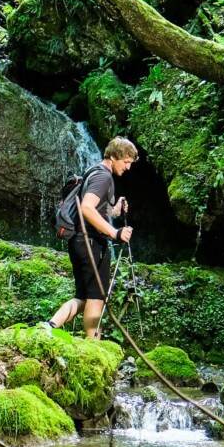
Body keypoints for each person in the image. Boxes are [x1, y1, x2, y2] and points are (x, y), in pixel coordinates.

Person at [43, 137, 138, 339]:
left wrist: (115, 210)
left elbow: (96, 209)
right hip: (91, 243)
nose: (128, 168)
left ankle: (48, 327)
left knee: (83, 297)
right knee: (96, 298)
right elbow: (86, 208)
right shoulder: (104, 177)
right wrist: (115, 233)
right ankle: (91, 346)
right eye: (126, 162)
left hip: (78, 241)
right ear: (114, 156)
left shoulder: (93, 172)